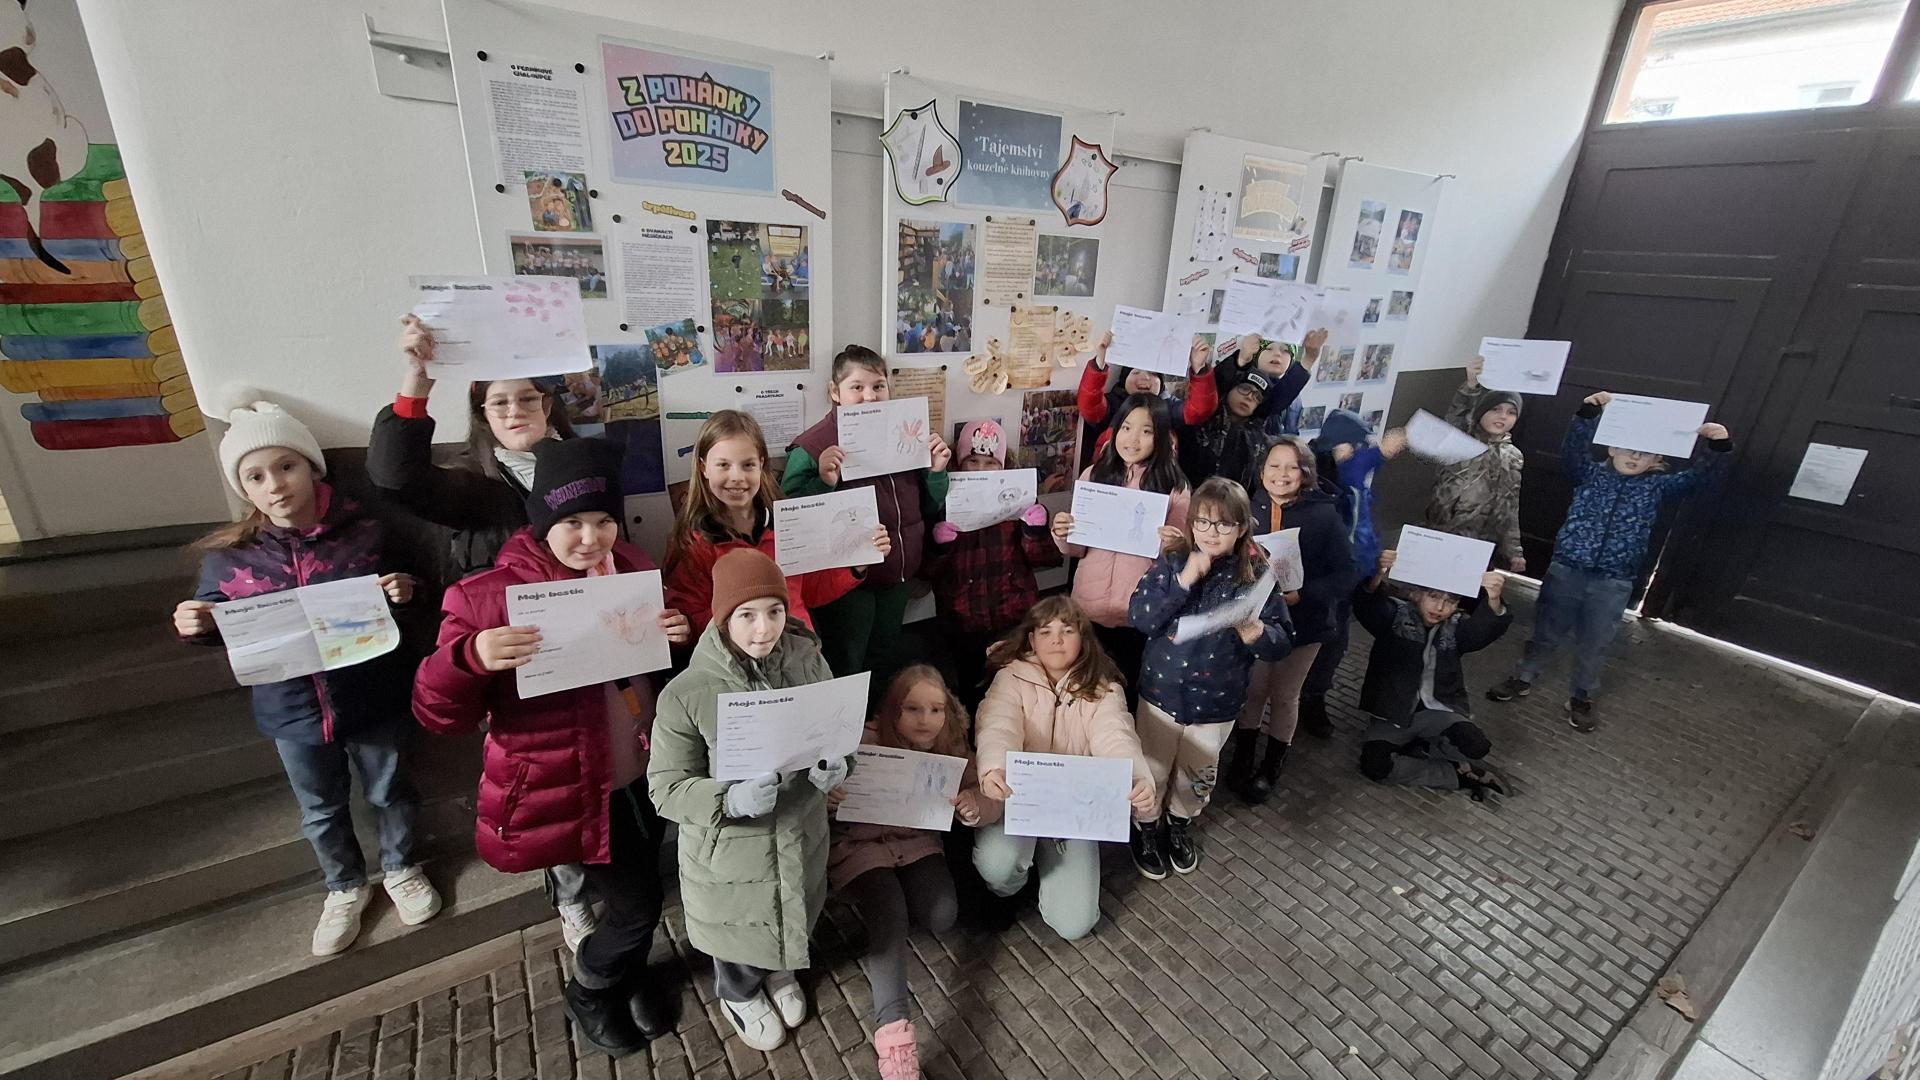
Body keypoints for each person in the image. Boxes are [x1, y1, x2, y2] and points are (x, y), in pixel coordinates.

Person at [411, 437, 691, 1057]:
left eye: (603, 520)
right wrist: (470, 657)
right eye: (572, 523)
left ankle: (627, 973)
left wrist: (677, 631)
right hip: (572, 782)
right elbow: (436, 711)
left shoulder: (632, 567)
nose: (591, 538)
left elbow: (653, 663)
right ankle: (591, 987)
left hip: (644, 767)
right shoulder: (487, 596)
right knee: (637, 905)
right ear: (542, 522)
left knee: (644, 885)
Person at [173, 402, 442, 957]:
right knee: (320, 807)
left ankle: (400, 867)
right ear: (243, 489)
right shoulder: (230, 558)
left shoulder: (367, 533)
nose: (275, 485)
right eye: (255, 476)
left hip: (372, 695)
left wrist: (404, 591)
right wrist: (195, 624)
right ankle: (344, 886)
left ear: (313, 468)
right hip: (289, 707)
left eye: (286, 466)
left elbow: (416, 587)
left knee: (390, 789)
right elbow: (217, 620)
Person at [368, 314, 600, 952]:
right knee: (546, 784)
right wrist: (417, 376)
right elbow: (393, 475)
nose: (515, 410)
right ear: (481, 414)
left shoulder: (581, 469)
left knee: (597, 767)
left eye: (527, 397)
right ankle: (572, 897)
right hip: (514, 662)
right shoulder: (471, 489)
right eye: (499, 402)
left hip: (590, 651)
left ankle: (612, 879)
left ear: (548, 404)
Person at [648, 549, 845, 1053]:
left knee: (792, 908)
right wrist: (729, 799)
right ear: (723, 619)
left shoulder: (809, 660)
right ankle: (738, 992)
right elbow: (665, 787)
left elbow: (835, 732)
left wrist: (839, 764)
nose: (764, 629)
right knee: (739, 927)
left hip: (800, 831)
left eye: (775, 611)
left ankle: (780, 971)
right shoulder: (686, 693)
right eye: (747, 615)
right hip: (732, 854)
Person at [1486, 391, 1733, 731]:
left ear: (1657, 458)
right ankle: (1523, 676)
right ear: (1612, 447)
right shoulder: (1589, 474)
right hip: (1567, 570)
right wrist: (1587, 414)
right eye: (1628, 448)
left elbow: (1700, 479)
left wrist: (1717, 446)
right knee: (1546, 630)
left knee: (1595, 642)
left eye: (1645, 452)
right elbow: (1573, 450)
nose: (1635, 456)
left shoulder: (1657, 487)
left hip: (1613, 580)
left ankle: (1582, 696)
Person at [828, 666, 992, 1080]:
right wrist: (828, 798)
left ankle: (896, 898)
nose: (925, 720)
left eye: (935, 709)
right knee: (890, 912)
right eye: (912, 709)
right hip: (862, 848)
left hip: (917, 845)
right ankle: (894, 1034)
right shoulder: (863, 742)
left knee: (942, 913)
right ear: (892, 710)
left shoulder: (952, 746)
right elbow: (820, 788)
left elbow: (984, 790)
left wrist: (974, 803)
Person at [1126, 478, 1292, 877]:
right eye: (1202, 522)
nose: (1211, 532)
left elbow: (1283, 640)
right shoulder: (1173, 562)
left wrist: (1260, 635)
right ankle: (1144, 827)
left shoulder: (1257, 574)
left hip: (1218, 701)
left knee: (1196, 774)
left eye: (1223, 524)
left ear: (1241, 527)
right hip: (1161, 694)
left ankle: (1179, 824)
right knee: (1151, 768)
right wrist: (1184, 580)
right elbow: (1140, 617)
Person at [972, 597, 1154, 940]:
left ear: (1083, 638)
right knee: (998, 865)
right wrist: (994, 767)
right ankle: (1009, 888)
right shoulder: (1010, 678)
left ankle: (1044, 869)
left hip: (1073, 811)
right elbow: (998, 724)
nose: (1056, 639)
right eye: (1046, 631)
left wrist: (1134, 777)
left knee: (1074, 924)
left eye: (1067, 630)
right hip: (1018, 801)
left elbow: (1115, 734)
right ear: (1032, 640)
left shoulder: (1103, 687)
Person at [783, 345, 952, 678]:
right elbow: (790, 519)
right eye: (857, 387)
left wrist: (936, 472)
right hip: (847, 582)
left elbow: (928, 505)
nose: (870, 396)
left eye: (878, 386)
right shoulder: (813, 445)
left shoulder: (908, 434)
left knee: (884, 655)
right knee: (847, 659)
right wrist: (823, 481)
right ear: (835, 392)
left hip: (898, 572)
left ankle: (878, 708)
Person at [664, 410, 888, 639]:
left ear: (761, 464)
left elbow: (809, 590)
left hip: (799, 647)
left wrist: (855, 565)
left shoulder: (785, 524)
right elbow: (692, 613)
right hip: (741, 653)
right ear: (703, 467)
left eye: (748, 465)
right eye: (723, 465)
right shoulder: (694, 541)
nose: (737, 477)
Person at [1227, 438, 1356, 803]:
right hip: (1257, 619)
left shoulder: (1324, 514)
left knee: (1285, 695)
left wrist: (1305, 594)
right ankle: (1243, 756)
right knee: (1253, 691)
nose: (1281, 474)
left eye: (1291, 467)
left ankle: (1272, 765)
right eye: (1274, 465)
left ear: (1306, 473)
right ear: (1261, 470)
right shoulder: (1246, 507)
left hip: (1305, 622)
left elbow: (1346, 573)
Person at [1050, 395, 1192, 702]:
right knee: (1081, 687)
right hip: (1088, 606)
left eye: (1146, 431)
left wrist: (1175, 545)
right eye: (1126, 427)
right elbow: (1076, 548)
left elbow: (1177, 558)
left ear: (1161, 436)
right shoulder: (1095, 475)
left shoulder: (1174, 487)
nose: (1133, 439)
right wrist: (1063, 532)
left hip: (1138, 613)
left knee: (1125, 690)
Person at [922, 419, 1058, 711]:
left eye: (990, 463)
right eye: (972, 461)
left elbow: (1045, 560)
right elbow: (927, 572)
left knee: (1017, 689)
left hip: (1014, 615)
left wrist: (1035, 532)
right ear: (959, 463)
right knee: (971, 690)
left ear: (1003, 465)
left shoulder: (1018, 497)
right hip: (963, 619)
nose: (980, 469)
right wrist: (939, 545)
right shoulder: (946, 500)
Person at [1351, 551, 1510, 800]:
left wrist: (1494, 599)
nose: (1440, 607)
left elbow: (1483, 631)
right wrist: (1377, 575)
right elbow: (1367, 606)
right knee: (1375, 765)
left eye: (1450, 601)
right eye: (1433, 597)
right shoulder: (1395, 617)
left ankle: (1424, 746)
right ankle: (1455, 774)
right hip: (1393, 713)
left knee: (1476, 745)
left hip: (1439, 710)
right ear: (1416, 594)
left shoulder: (1455, 628)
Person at [1296, 409, 1408, 740]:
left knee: (1334, 643)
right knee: (1315, 642)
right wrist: (1382, 451)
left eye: (1361, 447)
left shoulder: (1354, 481)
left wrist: (1373, 568)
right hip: (1323, 577)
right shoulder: (1324, 477)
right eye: (1353, 445)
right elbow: (1355, 467)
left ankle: (1313, 696)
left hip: (1350, 577)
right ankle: (1295, 698)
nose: (1358, 452)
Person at [1423, 356, 1526, 572]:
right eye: (1495, 409)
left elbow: (1509, 506)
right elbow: (1456, 418)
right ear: (1481, 412)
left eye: (1511, 412)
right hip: (1442, 537)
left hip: (1482, 546)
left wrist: (1513, 550)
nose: (1503, 417)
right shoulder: (1460, 443)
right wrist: (1470, 386)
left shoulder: (1513, 456)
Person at [1076, 332, 1215, 458]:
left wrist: (1199, 368)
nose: (1145, 378)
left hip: (1156, 474)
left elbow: (1199, 410)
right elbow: (1089, 406)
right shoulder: (1114, 403)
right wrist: (1099, 363)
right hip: (1110, 473)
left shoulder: (1168, 406)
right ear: (1123, 380)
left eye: (1153, 374)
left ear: (1161, 383)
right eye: (1136, 372)